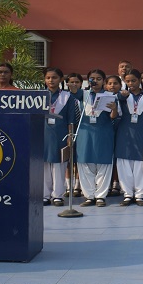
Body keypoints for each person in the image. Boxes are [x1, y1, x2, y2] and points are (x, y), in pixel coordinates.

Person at [76, 69, 119, 207]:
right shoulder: (82, 94)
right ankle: (89, 196)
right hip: (85, 134)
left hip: (103, 132)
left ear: (103, 81)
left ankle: (100, 196)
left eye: (99, 79)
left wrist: (114, 108)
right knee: (85, 163)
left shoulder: (110, 96)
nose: (95, 81)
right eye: (92, 78)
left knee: (103, 164)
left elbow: (113, 117)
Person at [115, 69, 143, 206]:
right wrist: (122, 96)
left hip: (142, 133)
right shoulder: (122, 96)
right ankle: (127, 194)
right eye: (128, 81)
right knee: (124, 163)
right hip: (125, 133)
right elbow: (116, 109)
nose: (131, 83)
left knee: (141, 164)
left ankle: (139, 194)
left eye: (134, 80)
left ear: (140, 80)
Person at [42, 67, 78, 206]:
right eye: (48, 78)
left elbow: (71, 119)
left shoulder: (67, 97)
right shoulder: (39, 96)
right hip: (43, 133)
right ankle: (45, 195)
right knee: (44, 164)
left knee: (59, 165)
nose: (51, 80)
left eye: (54, 77)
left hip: (61, 134)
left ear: (61, 79)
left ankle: (58, 195)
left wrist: (70, 135)